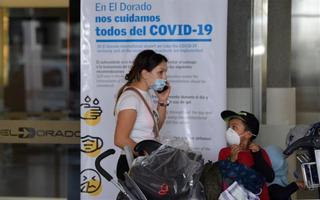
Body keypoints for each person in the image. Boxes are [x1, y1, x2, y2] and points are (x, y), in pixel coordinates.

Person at [113, 49, 170, 181]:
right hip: (134, 164)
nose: (165, 77)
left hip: (143, 162)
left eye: (165, 72)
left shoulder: (144, 95)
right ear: (145, 73)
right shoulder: (131, 98)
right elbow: (120, 139)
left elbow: (155, 129)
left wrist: (162, 101)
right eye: (160, 72)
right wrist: (148, 155)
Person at [218, 110, 275, 200]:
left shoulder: (260, 152)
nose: (229, 131)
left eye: (234, 127)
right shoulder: (225, 152)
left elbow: (269, 177)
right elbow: (224, 177)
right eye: (229, 127)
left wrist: (257, 156)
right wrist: (232, 159)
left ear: (248, 134)